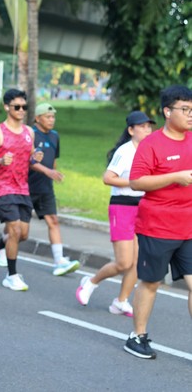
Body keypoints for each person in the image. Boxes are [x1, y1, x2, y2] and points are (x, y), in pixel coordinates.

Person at [123, 85, 192, 360]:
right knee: (151, 282)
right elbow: (136, 181)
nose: (190, 114)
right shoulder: (152, 144)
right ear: (167, 111)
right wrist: (175, 177)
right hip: (157, 226)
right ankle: (137, 336)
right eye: (185, 109)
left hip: (189, 226)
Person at [76, 111, 155, 316]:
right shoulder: (125, 151)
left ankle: (120, 302)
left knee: (137, 262)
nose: (147, 130)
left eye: (149, 126)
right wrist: (134, 183)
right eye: (142, 126)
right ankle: (90, 283)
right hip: (122, 207)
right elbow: (108, 178)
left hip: (142, 208)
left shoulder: (150, 151)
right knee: (123, 262)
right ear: (131, 130)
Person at [0, 88, 43, 291]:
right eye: (17, 106)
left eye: (24, 106)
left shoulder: (29, 132)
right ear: (7, 107)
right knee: (14, 230)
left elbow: (29, 158)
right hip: (3, 187)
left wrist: (35, 158)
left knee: (22, 234)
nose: (21, 110)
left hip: (23, 187)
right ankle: (11, 275)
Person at [26, 102, 80, 276]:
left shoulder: (55, 136)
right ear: (37, 118)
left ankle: (59, 261)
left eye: (53, 117)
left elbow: (53, 160)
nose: (52, 120)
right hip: (26, 186)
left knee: (53, 221)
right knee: (19, 229)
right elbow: (27, 161)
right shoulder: (30, 134)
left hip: (45, 187)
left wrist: (53, 173)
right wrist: (48, 171)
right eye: (48, 117)